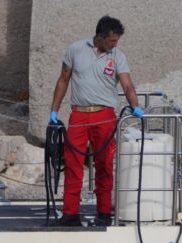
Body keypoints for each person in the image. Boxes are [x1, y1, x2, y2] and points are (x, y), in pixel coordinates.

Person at [49, 15, 144, 227]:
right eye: (111, 40)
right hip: (79, 115)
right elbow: (63, 79)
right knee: (73, 163)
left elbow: (127, 85)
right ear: (99, 36)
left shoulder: (118, 56)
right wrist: (53, 112)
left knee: (104, 164)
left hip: (105, 116)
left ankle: (103, 213)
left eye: (117, 40)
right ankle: (71, 213)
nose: (115, 44)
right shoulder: (75, 49)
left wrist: (136, 106)